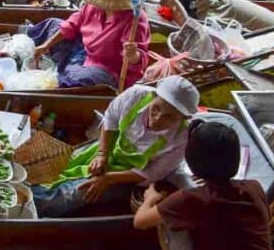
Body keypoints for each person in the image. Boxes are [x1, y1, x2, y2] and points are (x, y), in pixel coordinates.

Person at [33, 75, 199, 217]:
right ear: (154, 96)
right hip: (110, 148)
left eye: (169, 118)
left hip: (129, 176)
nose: (157, 119)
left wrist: (108, 179)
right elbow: (111, 118)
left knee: (73, 193)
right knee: (58, 164)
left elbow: (150, 173)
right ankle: (26, 189)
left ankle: (27, 207)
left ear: (183, 118)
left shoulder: (182, 139)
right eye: (156, 109)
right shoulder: (136, 95)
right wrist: (102, 154)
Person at [134, 121, 274, 250]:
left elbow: (140, 221)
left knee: (168, 224)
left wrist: (150, 198)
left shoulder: (191, 199)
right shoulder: (254, 187)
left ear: (192, 161)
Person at [31, 0, 149, 88]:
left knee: (79, 77)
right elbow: (72, 24)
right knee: (52, 24)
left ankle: (62, 77)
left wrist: (133, 55)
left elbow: (139, 62)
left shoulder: (134, 20)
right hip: (84, 51)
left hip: (106, 70)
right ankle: (47, 58)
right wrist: (46, 45)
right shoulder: (94, 4)